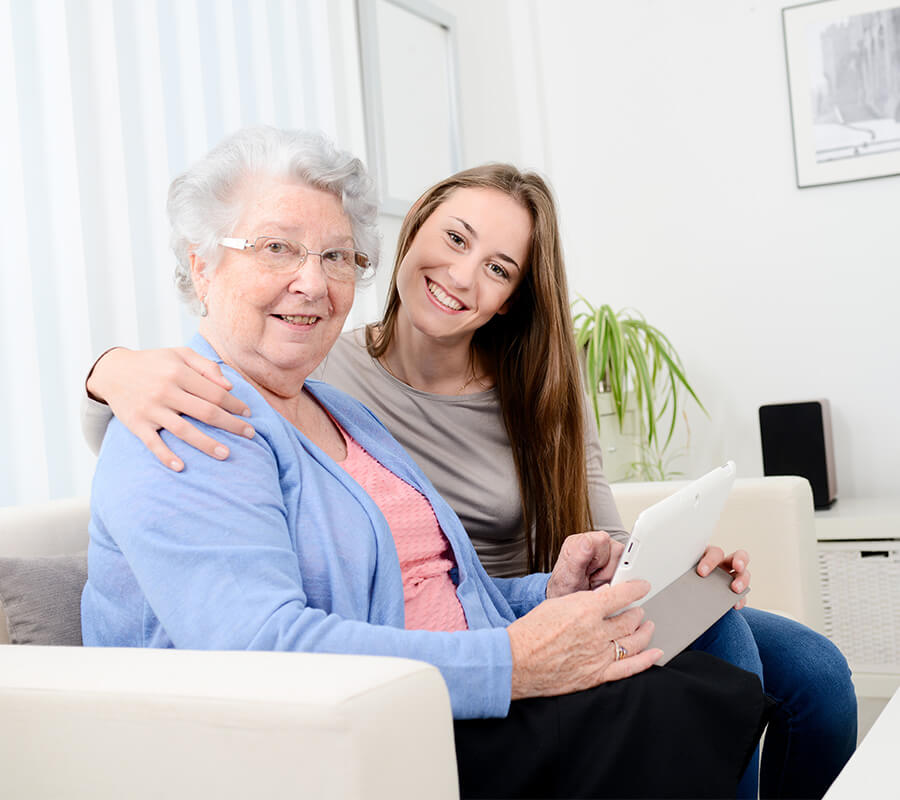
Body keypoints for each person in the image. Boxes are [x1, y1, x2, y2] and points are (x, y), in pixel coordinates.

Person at [81, 137, 852, 798]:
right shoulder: (221, 401)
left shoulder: (344, 404)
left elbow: (456, 574)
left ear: (513, 297)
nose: (312, 282)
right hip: (453, 674)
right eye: (277, 248)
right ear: (202, 266)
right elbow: (258, 632)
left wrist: (617, 574)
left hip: (495, 629)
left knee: (759, 667)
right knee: (695, 695)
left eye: (336, 256)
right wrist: (109, 370)